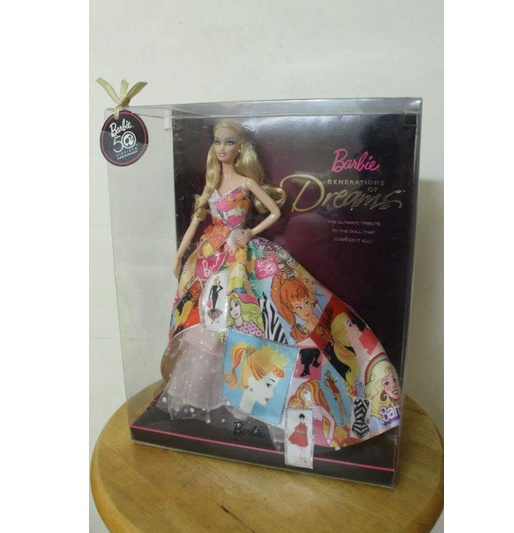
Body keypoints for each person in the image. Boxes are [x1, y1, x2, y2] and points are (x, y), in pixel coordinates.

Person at [156, 119, 402, 447]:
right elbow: (196, 219)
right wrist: (179, 254)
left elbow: (273, 211)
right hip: (209, 257)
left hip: (240, 257)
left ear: (240, 147)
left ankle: (260, 397)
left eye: (229, 142)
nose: (222, 148)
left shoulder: (245, 182)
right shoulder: (211, 182)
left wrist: (248, 232)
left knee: (252, 321)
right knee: (207, 325)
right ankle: (224, 392)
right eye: (217, 141)